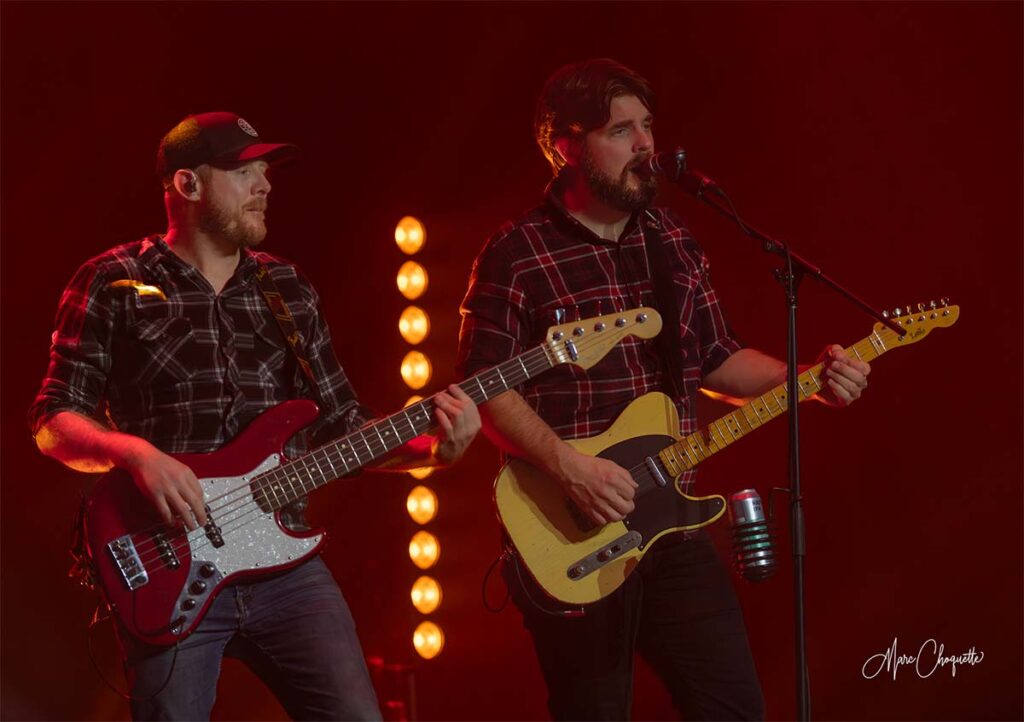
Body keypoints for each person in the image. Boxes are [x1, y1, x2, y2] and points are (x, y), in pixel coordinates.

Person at [29, 112, 480, 721]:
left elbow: (341, 426)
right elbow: (55, 419)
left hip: (284, 570)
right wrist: (136, 454)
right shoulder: (113, 281)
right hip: (167, 566)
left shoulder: (286, 287)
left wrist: (430, 452)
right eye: (245, 171)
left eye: (266, 169)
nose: (265, 184)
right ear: (188, 185)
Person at [456, 59, 870, 720]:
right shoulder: (517, 253)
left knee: (733, 709)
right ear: (565, 145)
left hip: (673, 525)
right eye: (622, 130)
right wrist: (571, 470)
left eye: (648, 126)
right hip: (574, 527)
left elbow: (716, 359)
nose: (646, 145)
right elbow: (482, 390)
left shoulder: (672, 240)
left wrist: (808, 381)